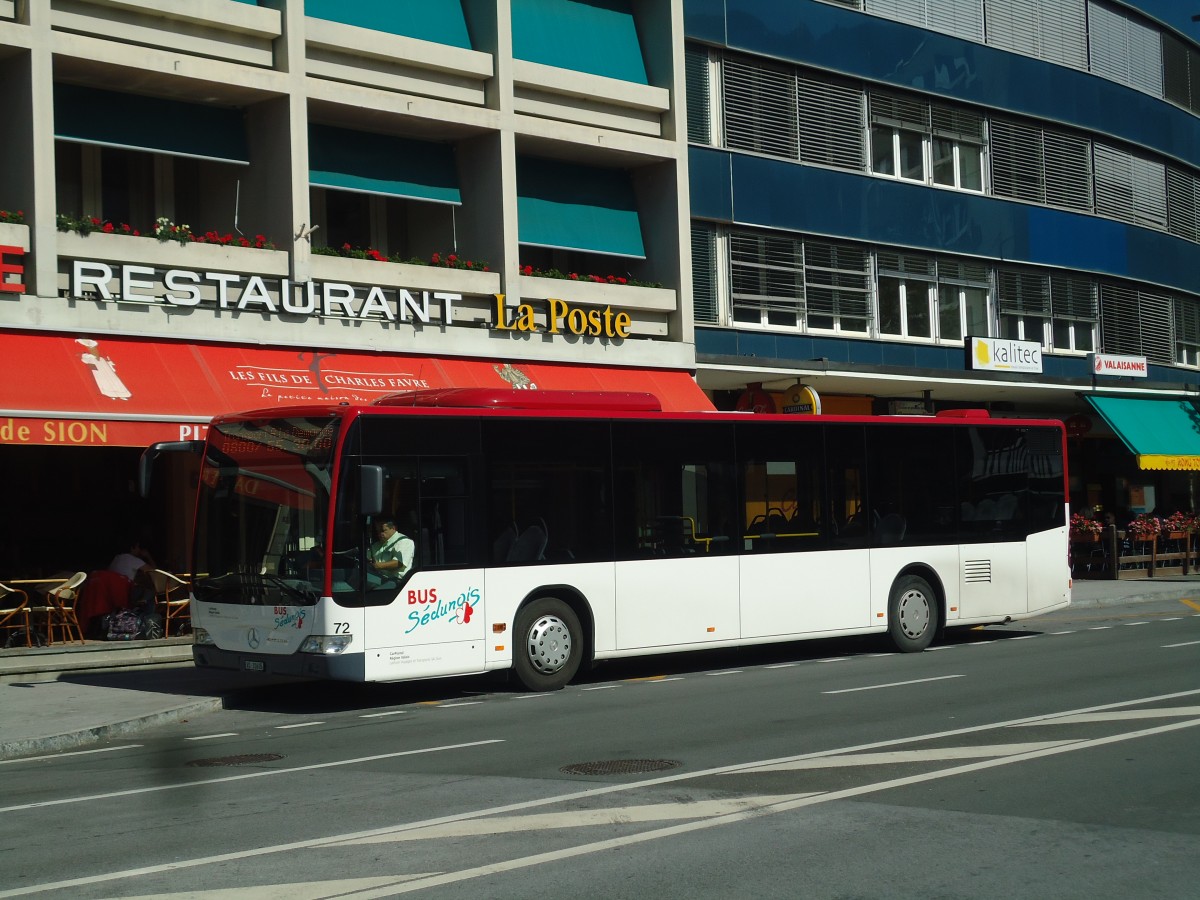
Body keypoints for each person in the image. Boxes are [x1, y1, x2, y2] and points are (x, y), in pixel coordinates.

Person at [108, 538, 157, 613]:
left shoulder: (116, 558)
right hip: (126, 594)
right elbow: (154, 571)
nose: (139, 550)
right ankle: (148, 621)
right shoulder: (132, 559)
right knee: (151, 593)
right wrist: (148, 556)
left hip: (112, 595)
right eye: (137, 547)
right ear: (132, 548)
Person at [368, 516, 414, 582]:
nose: (380, 534)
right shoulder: (376, 545)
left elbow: (399, 563)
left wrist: (379, 566)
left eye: (383, 530)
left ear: (393, 528)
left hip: (398, 582)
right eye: (378, 531)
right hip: (379, 579)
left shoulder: (404, 541)